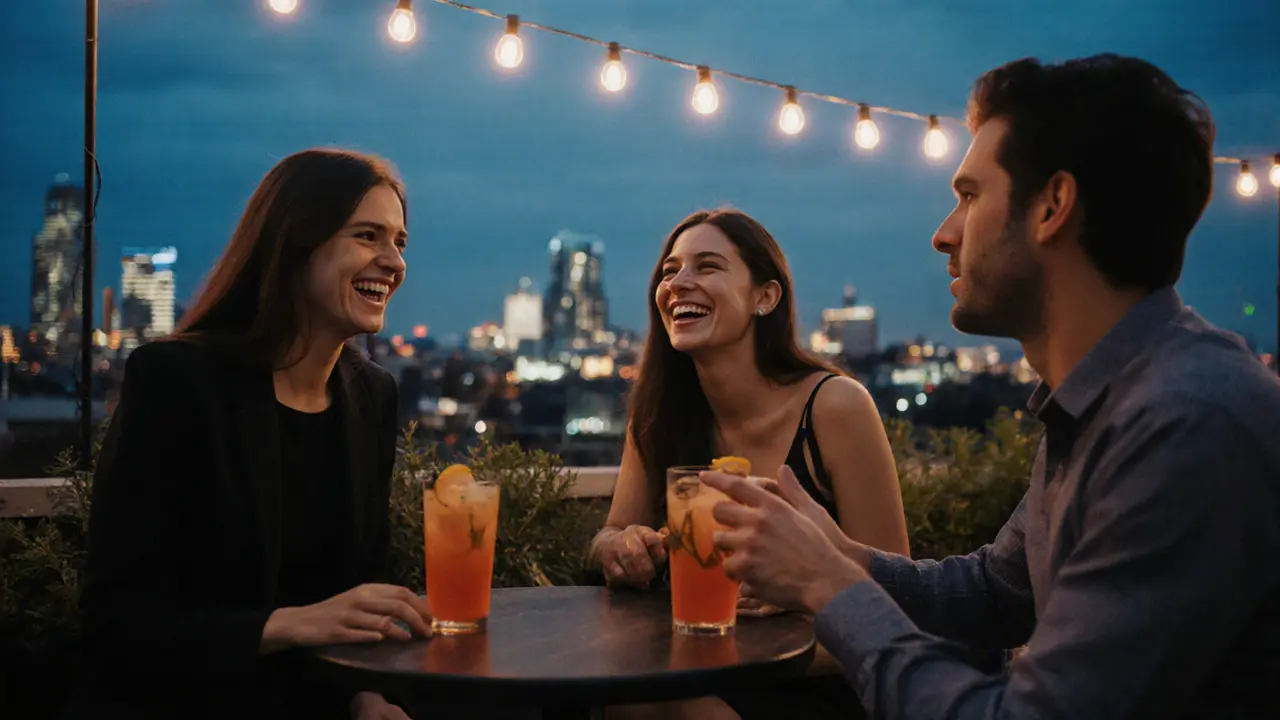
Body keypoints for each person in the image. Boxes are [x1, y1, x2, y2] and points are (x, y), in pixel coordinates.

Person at [703, 54, 1280, 719]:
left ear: (1053, 207)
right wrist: (839, 552)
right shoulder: (1106, 404)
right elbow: (993, 592)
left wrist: (827, 584)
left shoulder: (1187, 423)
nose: (943, 233)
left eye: (970, 196)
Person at [63, 149, 428, 720]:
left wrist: (368, 695)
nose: (393, 262)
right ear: (294, 243)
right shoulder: (177, 381)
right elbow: (117, 622)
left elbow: (362, 591)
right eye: (367, 236)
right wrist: (286, 624)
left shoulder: (371, 395)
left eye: (399, 243)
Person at [592, 209, 910, 719]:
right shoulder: (656, 413)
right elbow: (609, 534)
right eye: (670, 271)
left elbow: (895, 596)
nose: (679, 283)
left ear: (765, 297)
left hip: (816, 678)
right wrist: (618, 549)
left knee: (662, 703)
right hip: (694, 666)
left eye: (708, 266)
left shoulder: (835, 406)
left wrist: (802, 590)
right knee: (636, 700)